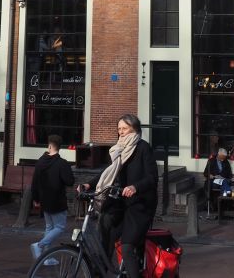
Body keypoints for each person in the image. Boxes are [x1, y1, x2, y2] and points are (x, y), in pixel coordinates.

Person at [80, 114, 157, 278]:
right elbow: (108, 172)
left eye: (124, 128)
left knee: (127, 247)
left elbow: (152, 177)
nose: (121, 132)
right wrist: (89, 184)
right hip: (121, 202)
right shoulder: (118, 149)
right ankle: (100, 273)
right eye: (119, 129)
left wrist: (135, 187)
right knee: (105, 234)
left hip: (140, 205)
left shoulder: (143, 148)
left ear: (134, 129)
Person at [30, 134, 75, 266]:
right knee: (60, 227)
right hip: (57, 201)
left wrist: (35, 198)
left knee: (49, 227)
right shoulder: (62, 163)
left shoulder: (40, 162)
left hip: (44, 200)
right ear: (59, 147)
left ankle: (46, 257)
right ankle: (39, 245)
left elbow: (34, 182)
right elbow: (70, 181)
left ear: (49, 146)